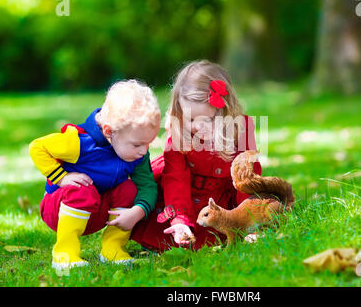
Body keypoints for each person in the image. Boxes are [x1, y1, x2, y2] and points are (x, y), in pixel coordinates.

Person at [130, 60, 261, 251]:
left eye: (208, 119)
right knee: (160, 224)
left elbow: (246, 178)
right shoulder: (179, 131)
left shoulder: (241, 130)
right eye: (191, 119)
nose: (199, 126)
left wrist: (249, 221)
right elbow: (176, 180)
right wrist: (180, 220)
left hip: (220, 200)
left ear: (225, 111)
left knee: (230, 223)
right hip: (183, 196)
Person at [29, 79, 161, 269]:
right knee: (82, 190)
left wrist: (137, 211)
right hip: (59, 208)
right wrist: (62, 177)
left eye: (148, 143)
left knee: (128, 189)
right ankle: (65, 254)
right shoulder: (78, 142)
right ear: (109, 131)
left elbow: (147, 186)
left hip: (97, 210)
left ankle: (112, 249)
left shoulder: (136, 152)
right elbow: (37, 147)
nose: (144, 150)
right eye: (137, 144)